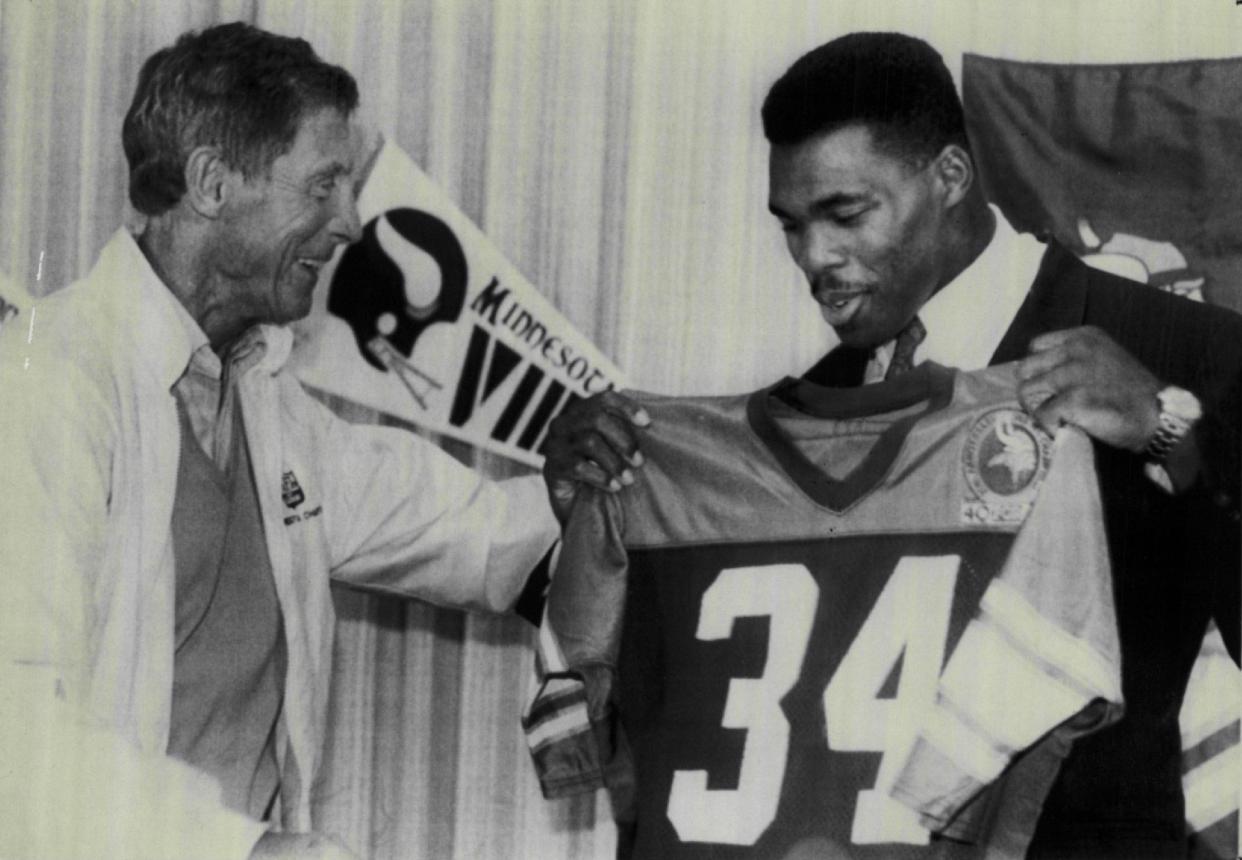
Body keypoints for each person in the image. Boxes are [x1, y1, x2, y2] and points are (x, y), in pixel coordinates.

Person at [543, 32, 1242, 859]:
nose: (815, 258)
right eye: (791, 226)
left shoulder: (1186, 348)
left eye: (845, 214)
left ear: (949, 176)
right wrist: (591, 501)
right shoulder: (815, 408)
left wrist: (1169, 431)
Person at [0, 23, 594, 860]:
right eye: (322, 187)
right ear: (212, 183)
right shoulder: (47, 385)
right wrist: (243, 850)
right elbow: (15, 738)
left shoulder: (263, 392)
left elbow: (460, 529)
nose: (352, 223)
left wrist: (585, 488)